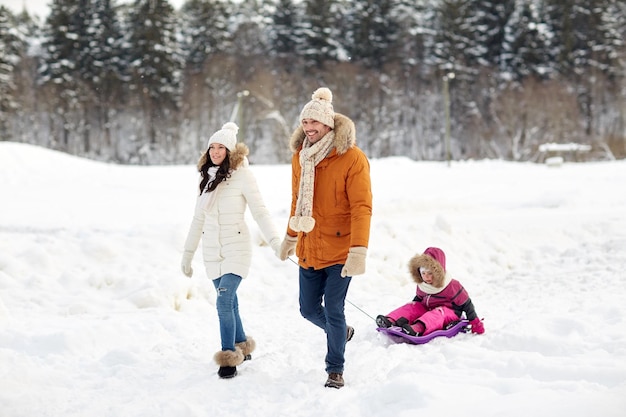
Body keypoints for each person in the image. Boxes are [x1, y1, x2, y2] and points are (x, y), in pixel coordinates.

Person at [276, 87, 373, 389]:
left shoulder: (352, 158)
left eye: (314, 122)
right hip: (309, 246)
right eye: (305, 122)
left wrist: (358, 250)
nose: (309, 128)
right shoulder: (300, 157)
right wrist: (291, 236)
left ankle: (335, 369)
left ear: (329, 124)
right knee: (308, 309)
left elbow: (362, 207)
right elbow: (297, 200)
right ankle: (340, 331)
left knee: (334, 309)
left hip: (341, 249)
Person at [180, 122, 281, 379]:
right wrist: (188, 254)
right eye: (211, 147)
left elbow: (260, 211)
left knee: (224, 300)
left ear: (230, 151)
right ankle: (242, 344)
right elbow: (197, 220)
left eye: (220, 147)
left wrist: (275, 242)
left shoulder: (243, 176)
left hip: (237, 249)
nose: (215, 151)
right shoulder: (206, 181)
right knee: (231, 302)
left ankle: (228, 358)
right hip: (212, 252)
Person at [375, 247, 485, 337]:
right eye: (423, 273)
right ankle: (390, 320)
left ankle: (418, 328)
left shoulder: (452, 285)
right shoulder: (423, 285)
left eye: (430, 273)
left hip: (449, 313)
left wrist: (475, 322)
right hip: (427, 309)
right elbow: (419, 299)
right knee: (413, 306)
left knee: (437, 313)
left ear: (438, 272)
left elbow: (467, 304)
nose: (426, 277)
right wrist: (411, 312)